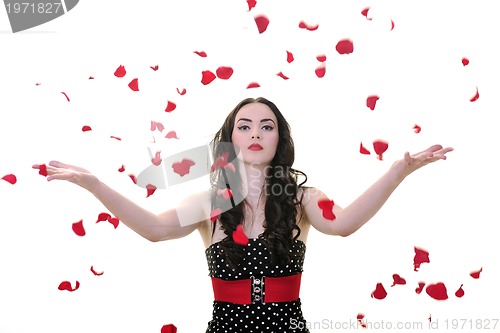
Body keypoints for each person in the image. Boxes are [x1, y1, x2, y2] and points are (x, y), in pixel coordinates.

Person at [33, 97, 453, 332]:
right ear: (230, 139)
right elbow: (155, 229)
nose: (256, 134)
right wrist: (94, 184)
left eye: (267, 126)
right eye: (245, 126)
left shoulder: (303, 199)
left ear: (279, 138)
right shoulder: (209, 203)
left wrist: (397, 171)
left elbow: (342, 224)